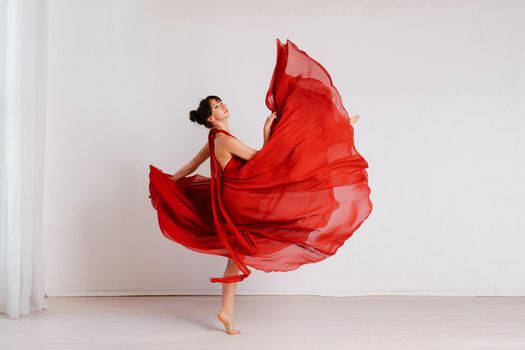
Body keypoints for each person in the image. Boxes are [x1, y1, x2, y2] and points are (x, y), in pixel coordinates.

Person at [148, 39, 372, 335]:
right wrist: (268, 133)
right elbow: (264, 159)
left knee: (236, 252)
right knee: (289, 178)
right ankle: (336, 131)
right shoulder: (224, 140)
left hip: (237, 196)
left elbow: (191, 167)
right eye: (217, 106)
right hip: (241, 199)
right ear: (211, 118)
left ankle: (226, 311)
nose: (223, 106)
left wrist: (169, 184)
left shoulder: (215, 140)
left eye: (220, 102)